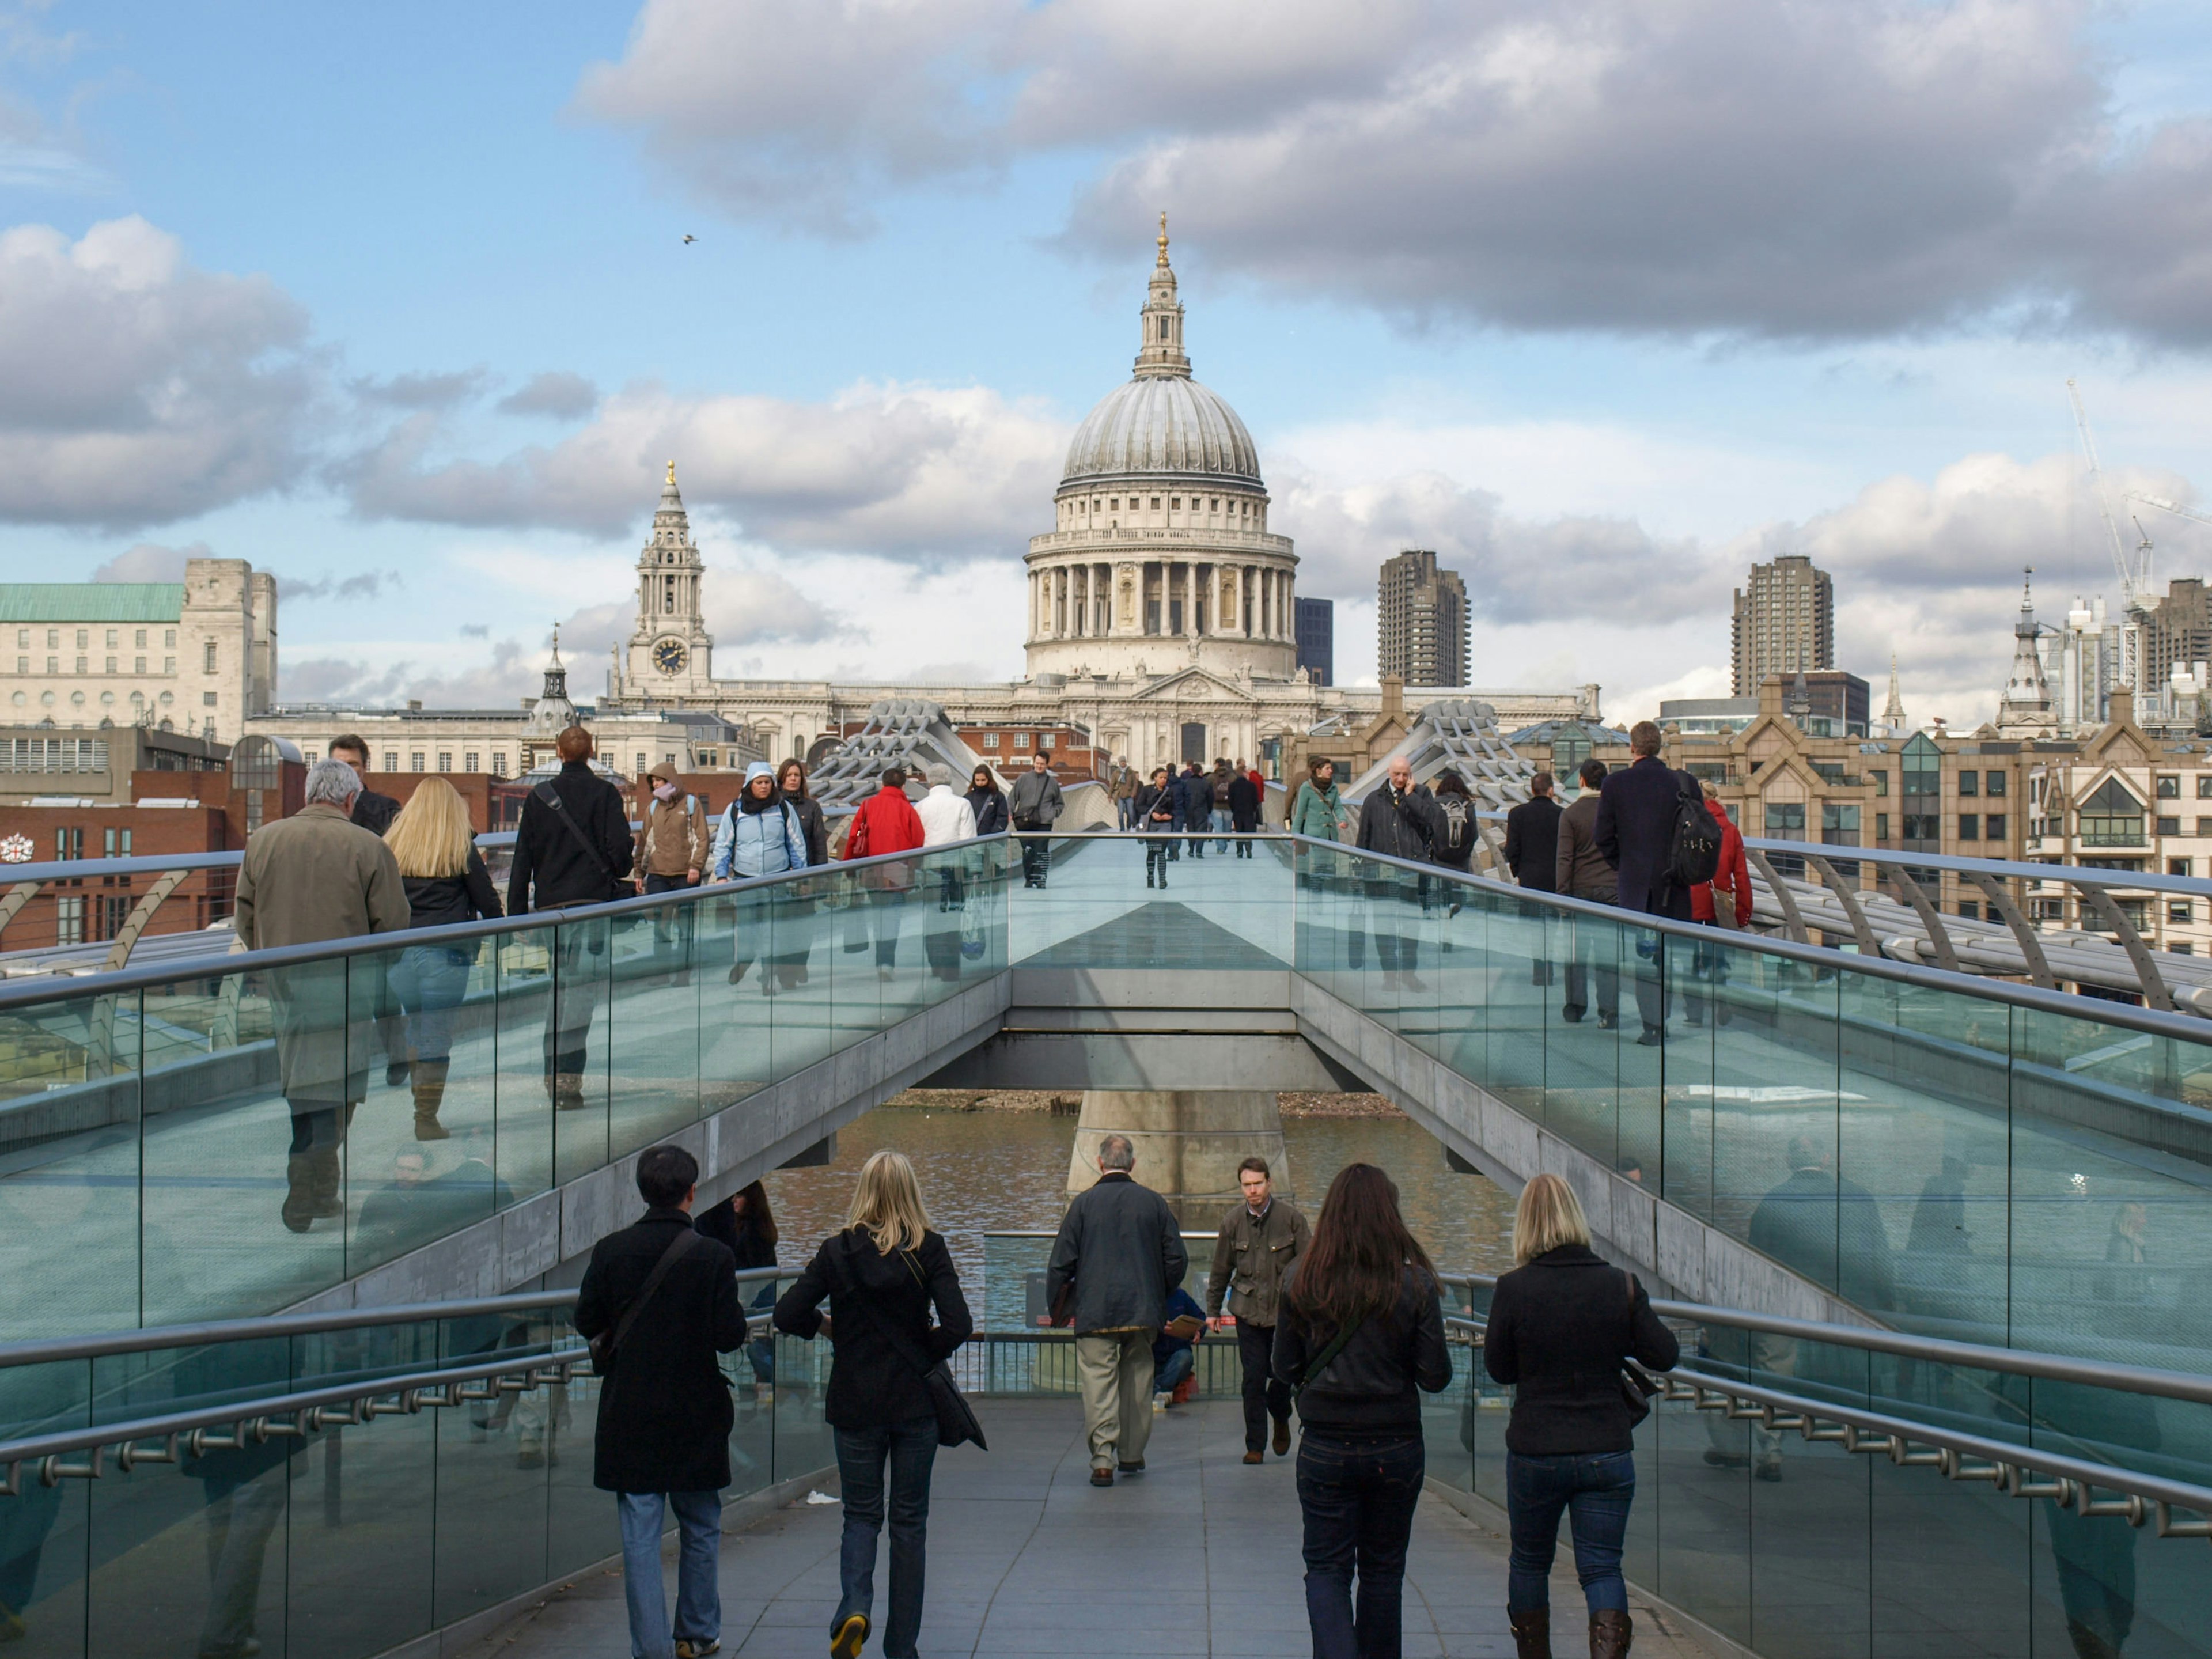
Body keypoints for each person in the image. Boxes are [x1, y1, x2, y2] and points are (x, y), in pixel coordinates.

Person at [775, 1151, 973, 1659]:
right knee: (909, 1524)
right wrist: (918, 1348)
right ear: (911, 1192)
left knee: (861, 1516)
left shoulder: (836, 1250)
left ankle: (855, 1609)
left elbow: (787, 1312)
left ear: (863, 1191)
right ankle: (902, 1647)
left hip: (855, 1401)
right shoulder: (929, 1249)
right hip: (913, 1404)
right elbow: (958, 1325)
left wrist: (826, 1327)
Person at [1485, 1173, 1678, 1659]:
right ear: (1576, 1218)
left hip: (1536, 1448)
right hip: (1606, 1448)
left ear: (1525, 1225)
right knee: (1602, 1568)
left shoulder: (1513, 1289)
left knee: (1529, 1564)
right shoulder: (1621, 1285)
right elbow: (1665, 1354)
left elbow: (1499, 1368)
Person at [573, 1144, 744, 1659]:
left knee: (640, 1537)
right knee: (700, 1523)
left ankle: (649, 1646)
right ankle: (696, 1631)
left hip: (632, 1410)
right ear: (692, 1194)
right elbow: (729, 1335)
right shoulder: (714, 1256)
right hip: (696, 1410)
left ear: (643, 1192)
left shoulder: (610, 1251)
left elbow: (586, 1320)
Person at [1272, 1164, 1451, 1659]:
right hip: (1395, 1445)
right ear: (1389, 1216)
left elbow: (1284, 1366)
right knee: (1383, 1572)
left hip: (1326, 1444)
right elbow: (1436, 1376)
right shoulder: (1414, 1285)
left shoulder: (1299, 1278)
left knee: (1327, 1569)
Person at [234, 756, 410, 1231]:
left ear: (309, 794)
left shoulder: (263, 841)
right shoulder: (368, 847)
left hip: (288, 987)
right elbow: (392, 926)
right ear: (351, 799)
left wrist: (271, 965)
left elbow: (245, 919)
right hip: (348, 988)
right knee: (340, 1090)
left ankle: (318, 1189)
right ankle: (307, 1177)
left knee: (303, 1084)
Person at [1044, 1132, 1188, 1486]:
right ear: (1133, 1164)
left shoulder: (1083, 1205)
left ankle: (1103, 1460)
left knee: (1099, 1386)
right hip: (1142, 1313)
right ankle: (1132, 1453)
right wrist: (1158, 1293)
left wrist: (1060, 1307)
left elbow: (1061, 1262)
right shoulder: (1154, 1203)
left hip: (1095, 1313)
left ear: (1100, 1163)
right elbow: (1177, 1259)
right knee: (1138, 1384)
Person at [508, 726, 633, 1109]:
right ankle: (569, 1084)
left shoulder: (538, 798)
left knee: (557, 996)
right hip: (593, 910)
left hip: (550, 912)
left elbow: (522, 860)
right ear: (591, 751)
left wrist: (516, 917)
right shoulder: (606, 794)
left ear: (559, 751)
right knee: (580, 1001)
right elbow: (622, 861)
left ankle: (552, 1077)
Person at [384, 776, 501, 1141]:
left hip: (399, 957)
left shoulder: (392, 847)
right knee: (436, 1034)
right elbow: (488, 904)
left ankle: (421, 1105)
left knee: (418, 1028)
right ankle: (426, 1118)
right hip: (446, 955)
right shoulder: (458, 848)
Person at [1594, 721, 1703, 1047]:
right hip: (1677, 884)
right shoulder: (1683, 782)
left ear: (1633, 747)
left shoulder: (1615, 784)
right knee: (1671, 957)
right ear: (1659, 747)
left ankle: (1652, 1026)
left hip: (1637, 887)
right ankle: (1667, 1017)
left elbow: (1603, 837)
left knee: (1645, 958)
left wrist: (1625, 865)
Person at [1207, 1155, 1312, 1464]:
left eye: (1257, 1184)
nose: (1252, 1190)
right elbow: (1220, 1269)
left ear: (1269, 1183)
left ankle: (1281, 1416)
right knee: (1252, 1379)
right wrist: (1212, 1310)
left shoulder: (1292, 1220)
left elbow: (1309, 1266)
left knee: (1281, 1377)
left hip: (1285, 1314)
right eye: (1247, 1185)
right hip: (1248, 1311)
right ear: (1241, 1187)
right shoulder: (1232, 1222)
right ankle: (1255, 1445)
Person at [1354, 757, 1441, 987]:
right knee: (1384, 927)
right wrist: (1363, 873)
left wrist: (1411, 797)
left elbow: (1431, 820)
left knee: (1411, 927)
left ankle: (1409, 974)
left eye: (1405, 775)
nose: (1401, 779)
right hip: (1382, 873)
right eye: (1397, 775)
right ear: (1388, 773)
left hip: (1412, 872)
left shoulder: (1422, 795)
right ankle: (1389, 975)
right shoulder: (1373, 800)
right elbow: (1364, 838)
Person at [697, 1179, 779, 1401]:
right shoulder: (760, 1229)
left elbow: (750, 1272)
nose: (734, 1200)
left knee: (758, 1346)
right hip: (762, 1296)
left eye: (739, 1196)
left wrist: (740, 1300)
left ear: (751, 1201)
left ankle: (769, 1389)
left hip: (754, 1300)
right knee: (762, 1342)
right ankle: (768, 1390)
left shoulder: (750, 1233)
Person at [843, 767, 926, 978]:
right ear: (903, 786)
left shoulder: (868, 805)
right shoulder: (908, 809)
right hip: (898, 871)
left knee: (878, 914)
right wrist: (915, 869)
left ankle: (881, 960)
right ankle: (886, 962)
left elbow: (855, 835)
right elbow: (918, 840)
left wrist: (849, 864)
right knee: (892, 918)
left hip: (871, 869)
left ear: (883, 784)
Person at [1556, 758, 1621, 1028]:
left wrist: (1561, 897)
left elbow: (1565, 859)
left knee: (1577, 955)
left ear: (1581, 781)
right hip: (1611, 891)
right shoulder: (1616, 813)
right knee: (1607, 956)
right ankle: (1609, 1011)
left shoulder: (1570, 814)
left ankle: (1576, 1007)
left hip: (1580, 893)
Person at [1684, 781, 1751, 1028]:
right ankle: (1721, 1006)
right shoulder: (1731, 830)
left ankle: (1694, 1014)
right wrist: (1742, 912)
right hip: (1719, 903)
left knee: (1689, 959)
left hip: (1691, 902)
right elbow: (1741, 875)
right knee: (1719, 960)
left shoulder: (1688, 825)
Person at [632, 763, 707, 953]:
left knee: (684, 926)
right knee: (661, 927)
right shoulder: (653, 808)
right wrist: (638, 873)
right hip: (658, 874)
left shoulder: (691, 804)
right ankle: (662, 972)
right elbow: (645, 842)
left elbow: (702, 838)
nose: (656, 784)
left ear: (670, 780)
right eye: (653, 782)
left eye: (659, 780)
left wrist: (695, 866)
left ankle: (683, 972)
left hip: (686, 874)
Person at [1504, 772, 1563, 987]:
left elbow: (1512, 849)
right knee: (1552, 930)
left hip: (1529, 880)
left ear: (1532, 790)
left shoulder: (1517, 814)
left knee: (1535, 930)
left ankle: (1539, 973)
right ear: (1551, 791)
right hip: (1555, 881)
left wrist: (1519, 872)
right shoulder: (1562, 815)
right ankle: (1549, 971)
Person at [1007, 751, 1063, 888]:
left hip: (1044, 823)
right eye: (1037, 763)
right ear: (1033, 763)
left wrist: (1053, 813)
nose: (1039, 766)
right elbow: (1012, 798)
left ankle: (1040, 879)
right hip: (1025, 822)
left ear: (1047, 765)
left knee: (1041, 852)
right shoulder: (1023, 779)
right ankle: (1029, 878)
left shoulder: (1052, 783)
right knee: (1028, 851)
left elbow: (1060, 803)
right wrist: (1010, 812)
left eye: (1042, 764)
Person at [328, 734, 400, 835]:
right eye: (339, 764)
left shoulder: (386, 809)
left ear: (365, 767)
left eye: (352, 764)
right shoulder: (320, 805)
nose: (345, 770)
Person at [1152, 1283, 1206, 1406]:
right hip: (1153, 1353)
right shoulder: (1149, 1295)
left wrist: (1198, 1331)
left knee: (1185, 1358)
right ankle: (1161, 1390)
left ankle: (1159, 1389)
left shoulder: (1181, 1295)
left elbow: (1201, 1318)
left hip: (1176, 1353)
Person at [777, 758, 831, 866]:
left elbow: (820, 847)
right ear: (782, 779)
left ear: (802, 779)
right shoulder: (773, 807)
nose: (793, 779)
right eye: (789, 775)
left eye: (797, 775)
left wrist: (820, 875)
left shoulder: (812, 807)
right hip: (779, 870)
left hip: (806, 870)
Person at [914, 762, 977, 848]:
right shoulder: (963, 804)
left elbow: (917, 837)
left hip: (928, 856)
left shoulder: (920, 806)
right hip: (955, 855)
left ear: (929, 781)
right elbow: (969, 838)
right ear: (950, 779)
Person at [1135, 766, 1177, 888]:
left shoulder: (1170, 791)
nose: (1163, 780)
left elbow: (1176, 808)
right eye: (1161, 778)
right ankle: (1150, 876)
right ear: (1155, 778)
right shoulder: (1147, 790)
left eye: (1165, 778)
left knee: (1161, 852)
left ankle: (1163, 879)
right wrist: (1152, 812)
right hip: (1151, 824)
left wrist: (1170, 816)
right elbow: (1139, 806)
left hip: (1165, 824)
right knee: (1152, 851)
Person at [1225, 762, 1262, 855]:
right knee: (1248, 831)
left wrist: (1233, 809)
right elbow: (1256, 801)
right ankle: (1249, 849)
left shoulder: (1232, 786)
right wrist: (1253, 809)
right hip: (1248, 812)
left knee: (1239, 831)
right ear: (1245, 773)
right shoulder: (1252, 786)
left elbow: (1230, 800)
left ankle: (1239, 851)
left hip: (1237, 812)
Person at [1182, 762, 1215, 860]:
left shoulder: (1186, 783)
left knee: (1191, 830)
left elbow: (1183, 797)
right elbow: (1211, 798)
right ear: (1201, 771)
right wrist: (1209, 810)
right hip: (1202, 809)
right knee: (1201, 831)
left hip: (1189, 809)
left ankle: (1191, 850)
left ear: (1192, 771)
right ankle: (1199, 851)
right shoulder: (1206, 783)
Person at [965, 764, 1009, 836]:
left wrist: (994, 835)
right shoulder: (968, 797)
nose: (980, 783)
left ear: (989, 779)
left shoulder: (998, 796)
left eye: (983, 780)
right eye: (977, 780)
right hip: (972, 838)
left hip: (991, 839)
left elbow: (1002, 819)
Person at [1210, 759, 1236, 851]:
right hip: (1229, 807)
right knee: (1227, 828)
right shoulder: (1232, 777)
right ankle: (1223, 844)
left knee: (1218, 828)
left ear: (1217, 765)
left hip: (1216, 806)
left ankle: (1221, 848)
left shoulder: (1212, 777)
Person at [1109, 755, 1139, 831]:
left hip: (1129, 795)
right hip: (1120, 796)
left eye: (1124, 762)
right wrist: (1110, 795)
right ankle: (1122, 829)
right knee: (1120, 814)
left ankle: (1128, 827)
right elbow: (1112, 784)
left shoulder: (1131, 772)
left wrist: (1133, 793)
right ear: (1119, 763)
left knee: (1131, 814)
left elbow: (1135, 784)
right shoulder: (1116, 773)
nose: (1123, 763)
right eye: (1122, 762)